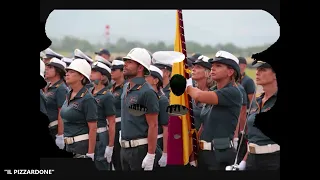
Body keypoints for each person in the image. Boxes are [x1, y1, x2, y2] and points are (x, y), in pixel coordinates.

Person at [185, 50, 242, 170]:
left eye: (218, 66)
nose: (213, 68)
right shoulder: (214, 91)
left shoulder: (233, 92)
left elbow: (199, 96)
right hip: (204, 154)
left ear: (230, 72)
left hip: (220, 155)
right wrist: (193, 151)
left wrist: (187, 84)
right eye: (213, 65)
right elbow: (204, 125)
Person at [227, 60, 279, 171]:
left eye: (263, 70)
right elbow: (252, 138)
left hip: (274, 160)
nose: (257, 73)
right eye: (257, 70)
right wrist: (244, 162)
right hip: (252, 160)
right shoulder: (257, 102)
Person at [120, 47, 160, 171]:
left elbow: (153, 125)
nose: (125, 65)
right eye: (125, 61)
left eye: (130, 62)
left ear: (140, 67)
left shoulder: (147, 92)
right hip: (124, 149)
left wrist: (151, 154)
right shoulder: (126, 87)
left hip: (139, 150)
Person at [60, 59, 98, 160]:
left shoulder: (87, 98)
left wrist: (90, 153)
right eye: (67, 72)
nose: (67, 74)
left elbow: (93, 128)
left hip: (81, 147)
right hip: (68, 145)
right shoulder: (69, 94)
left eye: (72, 72)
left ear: (81, 76)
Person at [89, 62, 116, 170]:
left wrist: (110, 146)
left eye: (95, 72)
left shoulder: (107, 95)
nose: (91, 73)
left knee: (101, 165)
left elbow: (112, 122)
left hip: (101, 136)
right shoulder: (89, 92)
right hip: (90, 135)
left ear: (102, 76)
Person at [145, 65, 169, 168]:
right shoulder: (144, 96)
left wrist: (165, 153)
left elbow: (166, 128)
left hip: (157, 144)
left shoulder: (162, 100)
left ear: (155, 81)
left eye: (147, 77)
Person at [44, 58, 69, 150]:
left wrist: (60, 135)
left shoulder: (61, 88)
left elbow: (61, 113)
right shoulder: (48, 86)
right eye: (47, 67)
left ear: (58, 72)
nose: (46, 69)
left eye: (50, 67)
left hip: (54, 129)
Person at [191, 55, 215, 131]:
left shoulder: (212, 95)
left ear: (207, 73)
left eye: (198, 67)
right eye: (193, 66)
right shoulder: (191, 93)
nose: (193, 69)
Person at [110, 59, 126, 171]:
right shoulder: (111, 88)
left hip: (121, 127)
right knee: (114, 159)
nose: (112, 72)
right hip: (111, 127)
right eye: (111, 69)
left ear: (122, 71)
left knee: (120, 160)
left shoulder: (126, 87)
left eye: (114, 69)